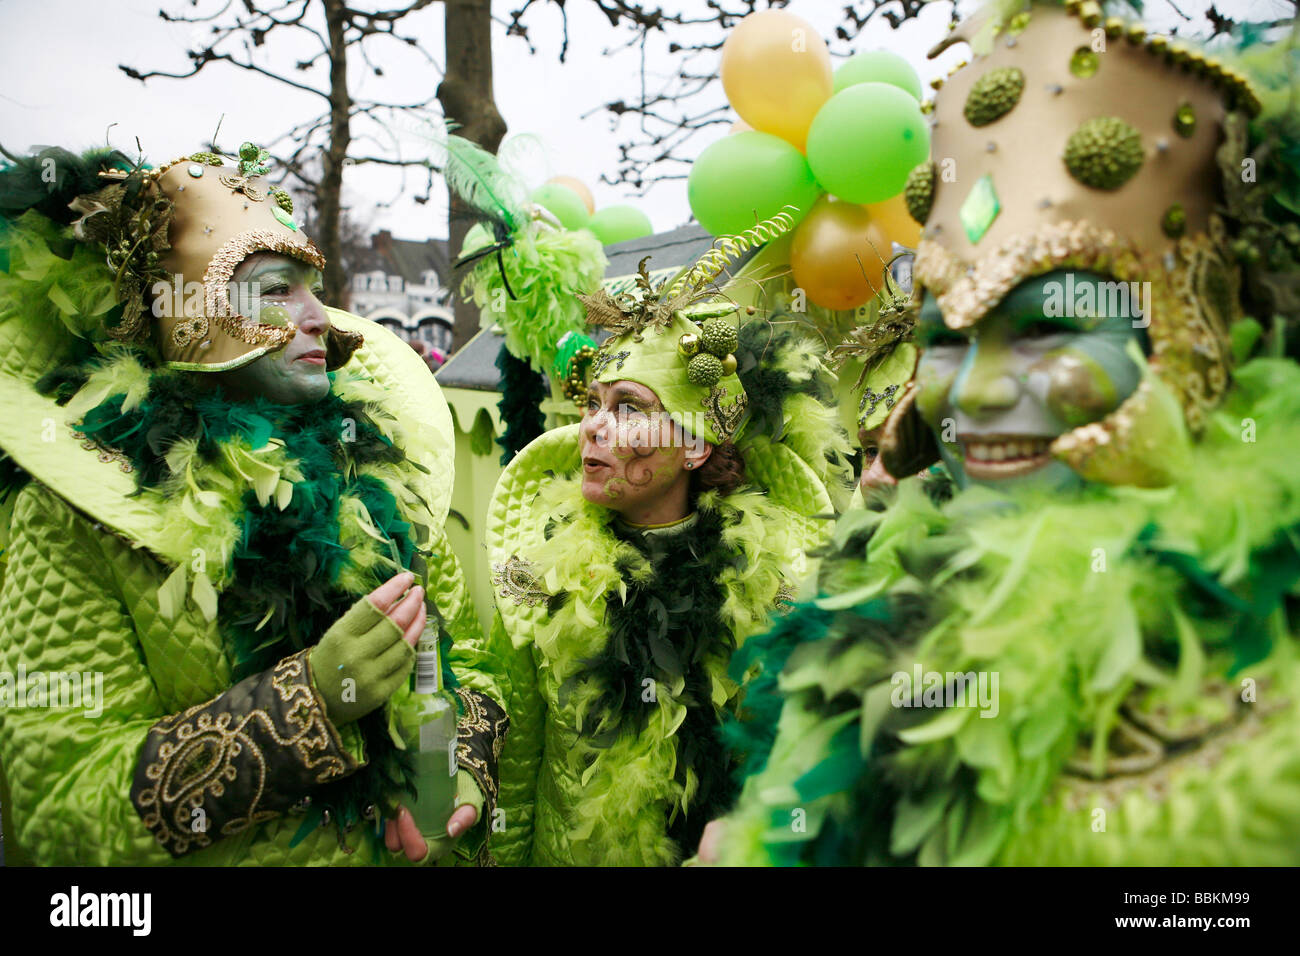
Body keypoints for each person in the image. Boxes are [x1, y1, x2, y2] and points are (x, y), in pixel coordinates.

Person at [711, 1, 1300, 866]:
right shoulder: (884, 602)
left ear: (1188, 338)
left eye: (1045, 329)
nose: (976, 396)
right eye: (948, 341)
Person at [0, 142, 506, 865]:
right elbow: (56, 806)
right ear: (186, 314)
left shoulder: (378, 466)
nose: (322, 320)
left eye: (311, 286)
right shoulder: (73, 510)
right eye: (275, 292)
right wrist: (307, 705)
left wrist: (460, 760)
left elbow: (476, 666)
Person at [479, 252, 848, 865]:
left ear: (696, 445)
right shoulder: (539, 561)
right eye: (592, 402)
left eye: (629, 407)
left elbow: (793, 757)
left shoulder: (776, 574)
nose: (593, 426)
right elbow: (515, 755)